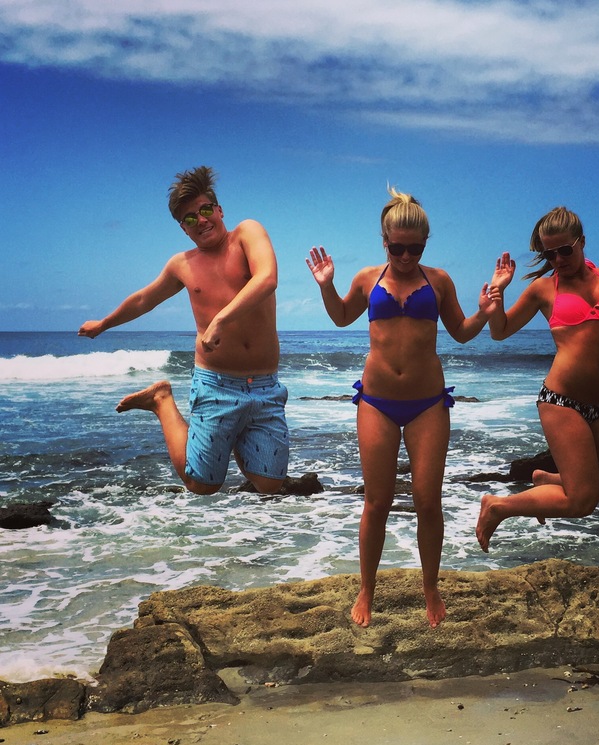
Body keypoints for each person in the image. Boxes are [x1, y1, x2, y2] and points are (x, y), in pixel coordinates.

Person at [307, 188, 496, 628]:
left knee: (428, 502)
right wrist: (327, 285)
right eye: (398, 247)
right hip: (376, 402)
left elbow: (463, 332)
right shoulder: (368, 279)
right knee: (377, 501)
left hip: (428, 403)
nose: (407, 255)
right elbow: (340, 317)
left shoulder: (440, 280)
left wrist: (485, 312)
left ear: (425, 244)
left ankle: (430, 590)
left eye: (416, 247)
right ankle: (366, 591)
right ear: (384, 241)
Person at [78, 166, 288, 495]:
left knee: (269, 483)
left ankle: (231, 435)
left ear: (219, 211)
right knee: (200, 484)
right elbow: (144, 299)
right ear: (184, 229)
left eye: (205, 210)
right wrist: (104, 324)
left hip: (265, 385)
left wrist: (221, 319)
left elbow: (267, 278)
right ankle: (161, 400)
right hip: (216, 383)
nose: (201, 220)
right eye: (190, 218)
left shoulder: (248, 233)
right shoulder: (183, 265)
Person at [476, 206, 599, 552]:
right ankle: (498, 506)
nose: (558, 259)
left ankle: (550, 480)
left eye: (565, 250)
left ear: (581, 242)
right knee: (581, 502)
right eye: (548, 253)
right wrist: (496, 301)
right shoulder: (543, 289)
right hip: (562, 402)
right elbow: (501, 332)